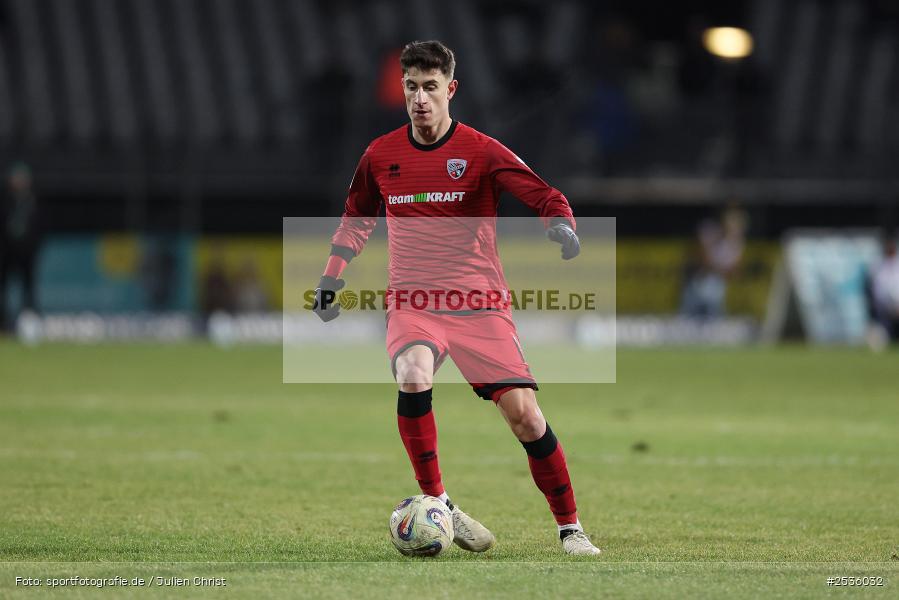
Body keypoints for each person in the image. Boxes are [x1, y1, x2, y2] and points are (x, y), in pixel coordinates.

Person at [311, 41, 599, 556]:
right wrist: (332, 277)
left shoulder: (481, 151)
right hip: (413, 301)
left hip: (479, 305)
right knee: (413, 373)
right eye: (411, 87)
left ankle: (570, 529)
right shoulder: (380, 155)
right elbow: (356, 218)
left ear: (451, 89)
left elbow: (544, 194)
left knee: (526, 418)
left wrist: (561, 224)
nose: (420, 98)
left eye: (430, 87)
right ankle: (440, 502)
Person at [1, 162, 42, 331]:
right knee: (4, 287)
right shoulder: (5, 201)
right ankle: (4, 323)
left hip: (27, 254)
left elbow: (39, 227)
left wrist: (33, 246)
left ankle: (29, 324)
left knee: (28, 288)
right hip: (7, 253)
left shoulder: (33, 201)